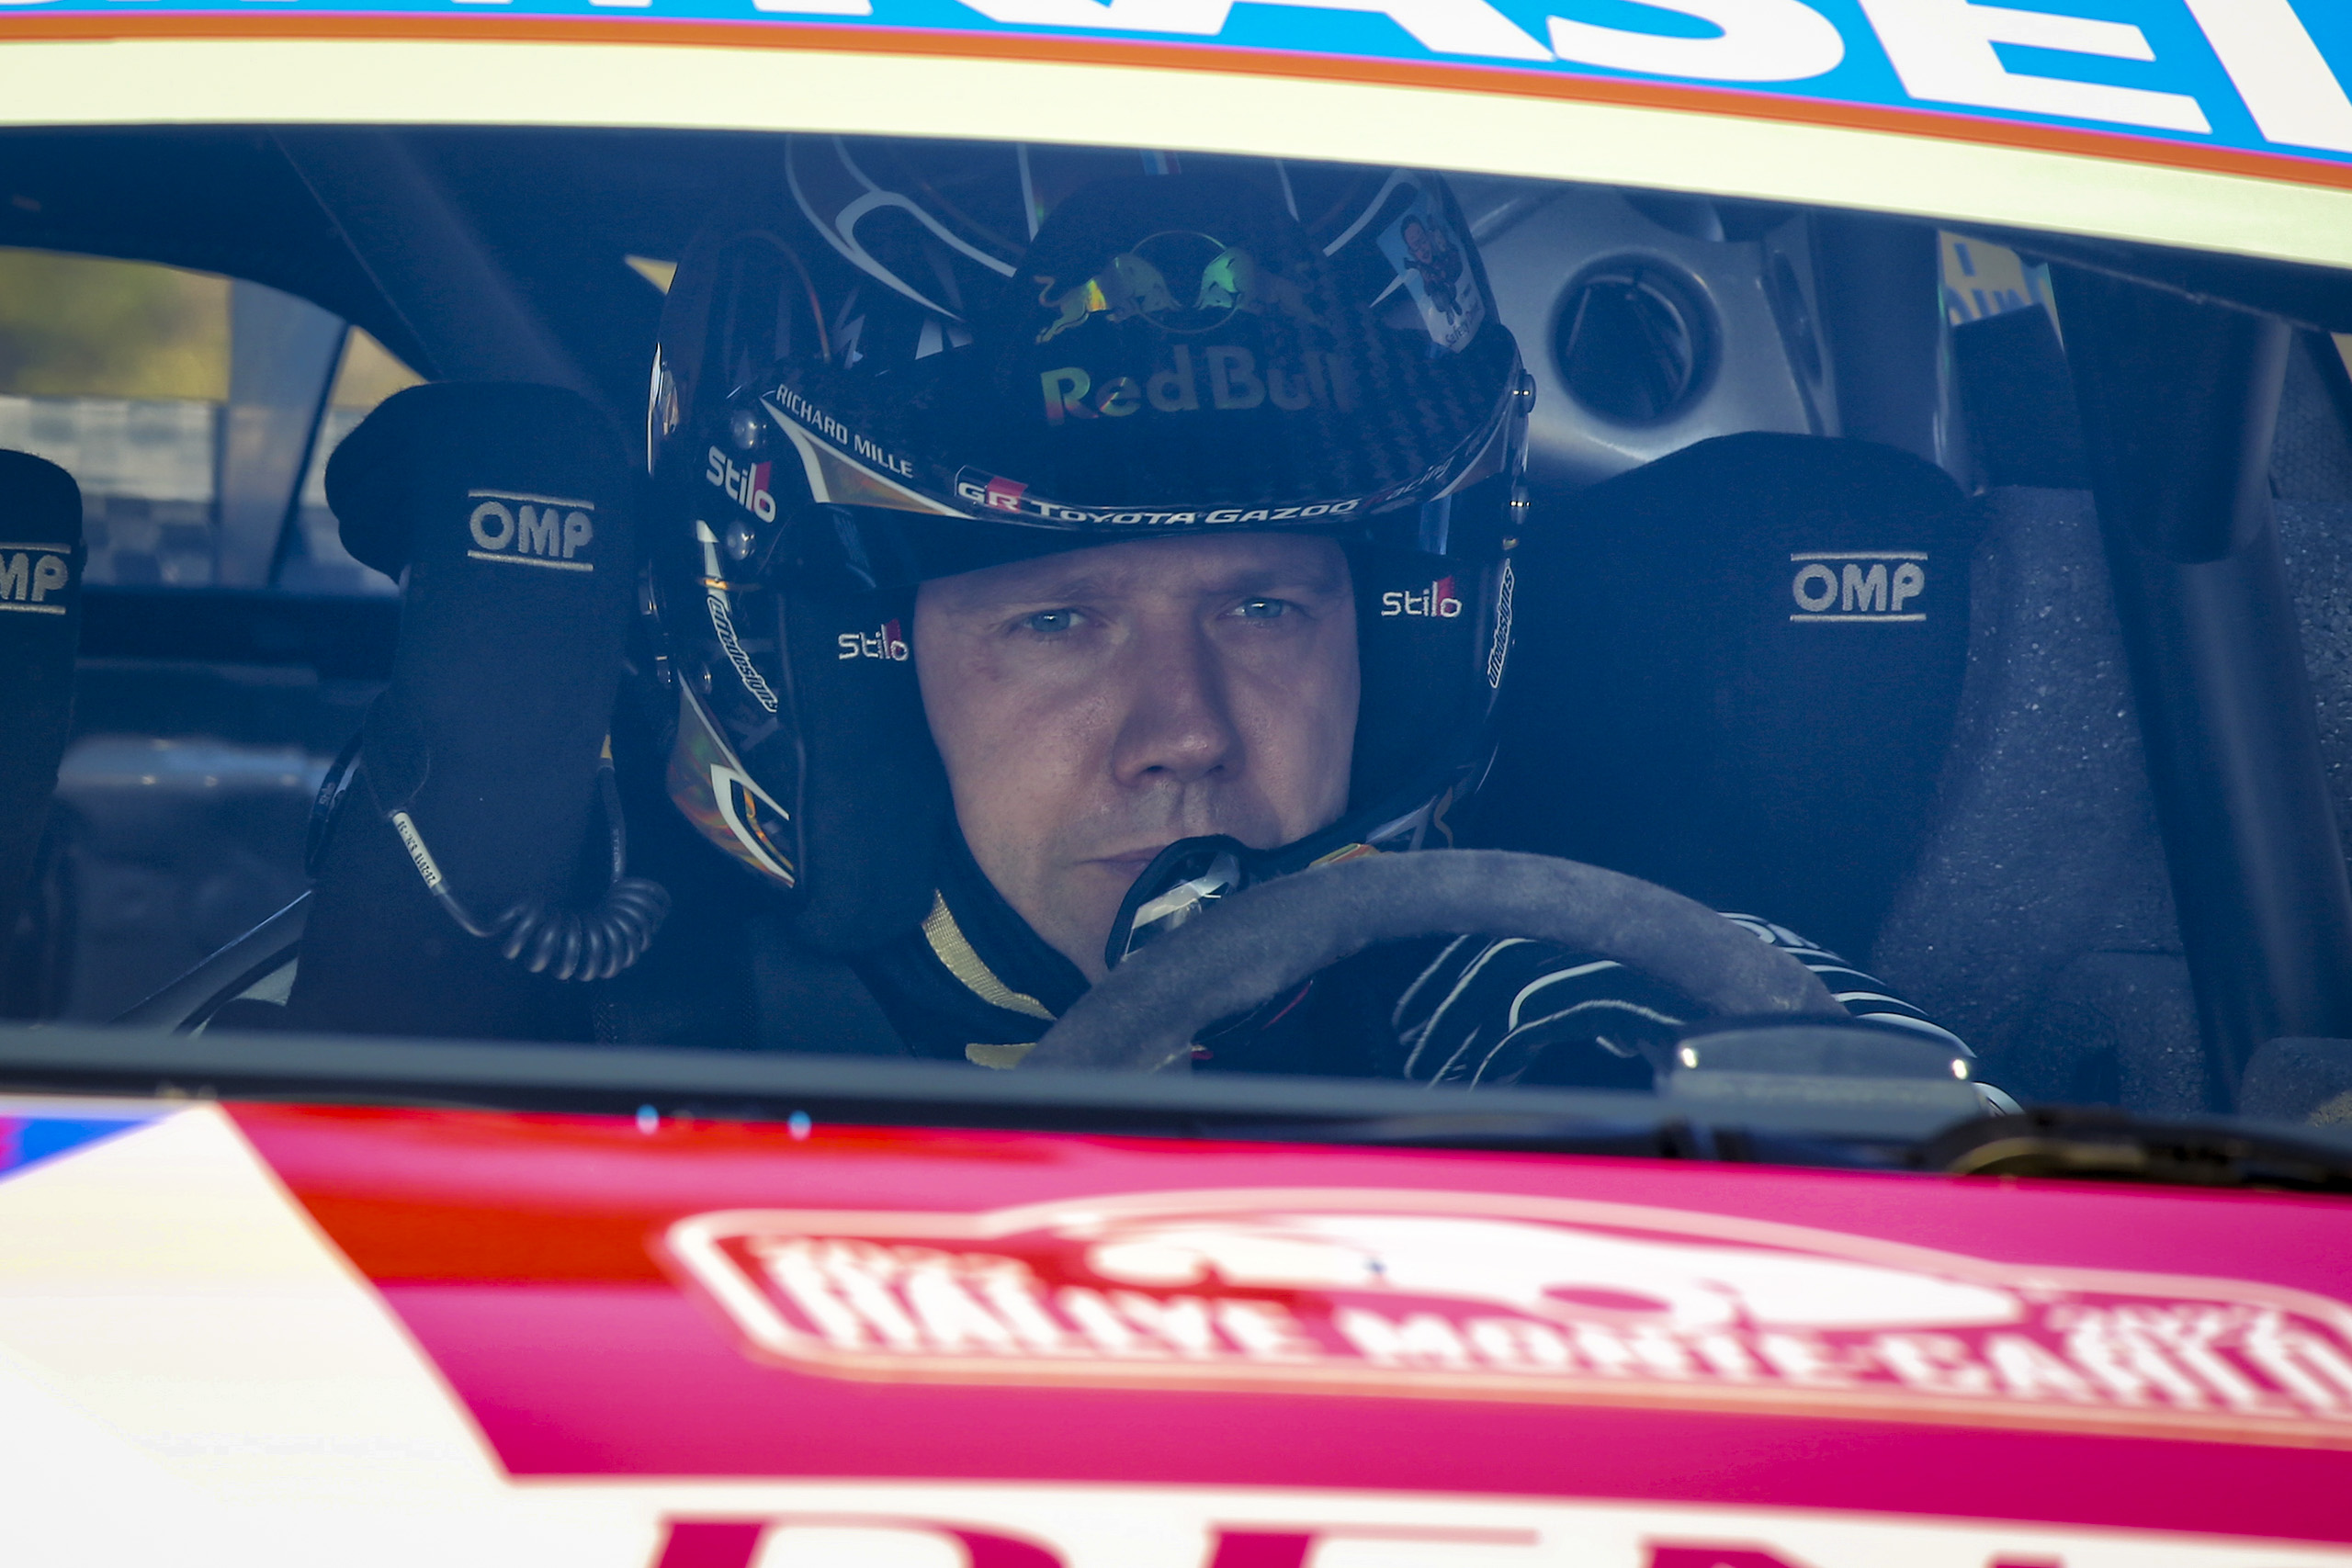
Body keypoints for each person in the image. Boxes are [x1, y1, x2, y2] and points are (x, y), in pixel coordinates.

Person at [605, 145, 1967, 1086]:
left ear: (1403, 637)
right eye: (1057, 622)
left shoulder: (1576, 1015)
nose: (1186, 732)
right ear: (838, 672)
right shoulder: (587, 1069)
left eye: (1263, 607)